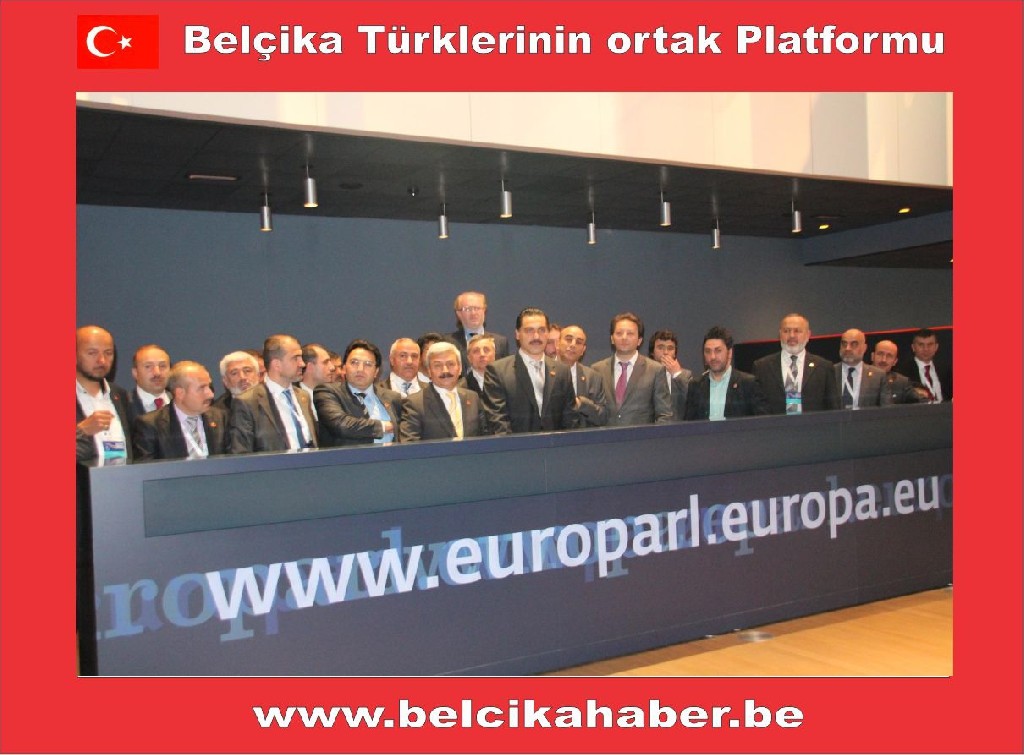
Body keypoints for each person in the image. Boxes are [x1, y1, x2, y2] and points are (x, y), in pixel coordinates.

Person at [482, 307, 578, 434]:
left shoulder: (562, 372)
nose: (536, 336)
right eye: (529, 330)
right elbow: (497, 421)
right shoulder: (498, 372)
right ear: (517, 334)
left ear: (548, 333)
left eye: (542, 330)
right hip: (516, 445)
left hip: (556, 446)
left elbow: (570, 420)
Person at [227, 334, 317, 453]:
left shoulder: (303, 396)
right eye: (295, 358)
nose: (302, 364)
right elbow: (241, 452)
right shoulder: (247, 402)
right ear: (277, 364)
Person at [590, 312, 673, 426]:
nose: (624, 337)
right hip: (605, 436)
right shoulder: (597, 370)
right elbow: (594, 412)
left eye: (630, 333)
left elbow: (664, 415)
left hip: (641, 437)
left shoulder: (655, 370)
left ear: (639, 340)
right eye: (619, 333)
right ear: (612, 339)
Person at [132, 361, 228, 460]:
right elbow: (147, 467)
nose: (210, 394)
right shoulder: (151, 425)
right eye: (202, 388)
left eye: (209, 386)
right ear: (180, 393)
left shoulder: (220, 417)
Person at [314, 339, 402, 447]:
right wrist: (383, 426)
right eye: (354, 363)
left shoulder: (392, 397)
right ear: (344, 368)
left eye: (368, 364)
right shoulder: (327, 392)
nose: (360, 369)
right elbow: (341, 425)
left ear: (376, 371)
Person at [752, 313, 840, 415]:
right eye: (786, 331)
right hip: (775, 425)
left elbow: (832, 408)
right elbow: (758, 407)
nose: (792, 336)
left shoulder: (824, 367)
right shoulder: (762, 367)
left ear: (808, 335)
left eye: (797, 331)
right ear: (780, 334)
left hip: (813, 425)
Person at [400, 341, 484, 442]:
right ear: (429, 371)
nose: (445, 370)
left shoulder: (473, 398)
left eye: (450, 364)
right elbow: (410, 444)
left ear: (460, 368)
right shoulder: (414, 403)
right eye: (437, 365)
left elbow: (486, 436)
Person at [75, 325, 133, 466]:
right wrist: (81, 432)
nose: (102, 360)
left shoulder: (119, 395)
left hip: (122, 477)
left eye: (108, 353)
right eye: (92, 353)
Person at [684, 326, 769, 420]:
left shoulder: (748, 384)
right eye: (708, 351)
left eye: (718, 351)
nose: (712, 357)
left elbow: (763, 422)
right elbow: (689, 424)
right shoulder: (695, 386)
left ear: (730, 353)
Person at [556, 324, 610, 427]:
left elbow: (603, 417)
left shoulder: (593, 377)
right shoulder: (543, 370)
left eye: (578, 342)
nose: (573, 345)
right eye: (568, 339)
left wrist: (581, 404)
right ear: (557, 343)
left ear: (583, 350)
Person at [448, 291, 510, 366]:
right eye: (467, 309)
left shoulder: (500, 342)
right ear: (459, 314)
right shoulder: (448, 342)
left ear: (484, 311)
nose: (473, 313)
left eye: (477, 308)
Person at [895, 328, 952, 403]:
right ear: (913, 347)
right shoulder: (903, 373)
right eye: (921, 345)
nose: (926, 349)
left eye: (930, 344)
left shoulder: (947, 369)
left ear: (936, 347)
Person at [834, 328, 885, 409]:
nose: (847, 348)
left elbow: (886, 409)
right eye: (844, 344)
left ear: (864, 348)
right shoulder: (829, 372)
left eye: (854, 344)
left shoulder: (878, 376)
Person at [649, 329, 693, 420]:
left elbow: (693, 399)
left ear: (675, 353)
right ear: (652, 352)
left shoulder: (685, 375)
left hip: (678, 426)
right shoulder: (645, 375)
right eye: (660, 347)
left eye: (670, 348)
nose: (665, 352)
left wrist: (677, 374)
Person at [871, 339, 926, 405]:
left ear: (895, 362)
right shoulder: (861, 375)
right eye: (880, 354)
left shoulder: (901, 382)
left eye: (889, 356)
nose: (884, 360)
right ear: (872, 356)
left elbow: (922, 402)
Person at [128, 343, 171, 425]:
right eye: (148, 366)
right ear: (135, 373)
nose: (157, 373)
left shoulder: (181, 404)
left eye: (162, 366)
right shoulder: (124, 407)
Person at [297, 343, 336, 418]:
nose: (332, 367)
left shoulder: (336, 395)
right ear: (310, 367)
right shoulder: (294, 399)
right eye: (325, 362)